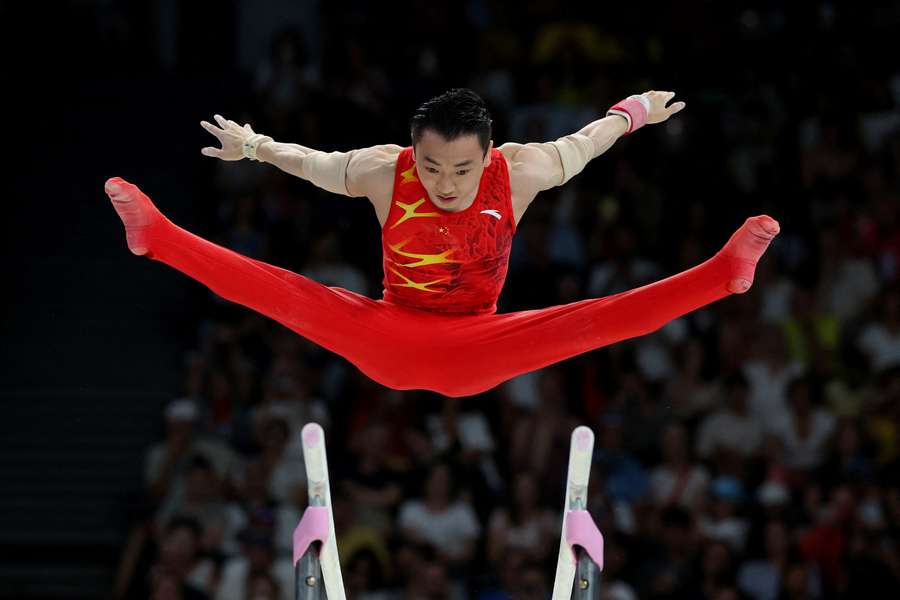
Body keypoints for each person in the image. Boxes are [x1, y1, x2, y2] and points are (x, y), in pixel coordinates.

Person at [105, 88, 779, 396]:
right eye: (431, 167)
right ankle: (159, 237)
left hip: (478, 348)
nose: (445, 183)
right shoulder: (382, 170)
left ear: (488, 154)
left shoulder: (521, 170)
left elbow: (585, 142)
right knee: (286, 294)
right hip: (390, 333)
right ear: (412, 152)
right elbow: (313, 163)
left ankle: (722, 274)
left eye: (461, 169)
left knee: (596, 322)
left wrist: (631, 113)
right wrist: (253, 147)